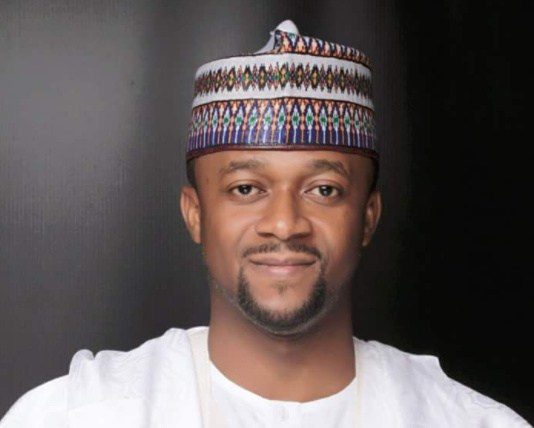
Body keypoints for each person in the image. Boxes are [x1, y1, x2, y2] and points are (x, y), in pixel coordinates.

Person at [1, 19, 529, 428]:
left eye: (323, 190)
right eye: (246, 189)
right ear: (194, 213)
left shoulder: (463, 421)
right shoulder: (76, 416)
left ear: (368, 217)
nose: (284, 224)